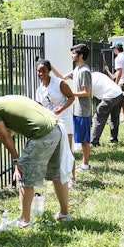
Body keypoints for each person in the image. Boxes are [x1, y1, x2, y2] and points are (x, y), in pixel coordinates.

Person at [0, 94, 74, 227]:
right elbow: (9, 132)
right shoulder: (7, 100)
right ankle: (64, 214)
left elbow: (5, 136)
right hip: (57, 129)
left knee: (25, 175)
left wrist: (17, 161)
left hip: (41, 133)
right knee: (57, 175)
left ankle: (24, 221)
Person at [51, 44, 92, 174]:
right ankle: (84, 163)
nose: (71, 55)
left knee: (84, 139)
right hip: (77, 109)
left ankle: (85, 164)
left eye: (74, 53)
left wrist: (71, 94)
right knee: (80, 137)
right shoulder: (77, 69)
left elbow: (87, 92)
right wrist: (50, 67)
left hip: (83, 110)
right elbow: (62, 77)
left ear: (80, 55)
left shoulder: (84, 71)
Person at [35, 58, 75, 189]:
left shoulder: (59, 83)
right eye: (39, 71)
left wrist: (62, 108)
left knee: (67, 150)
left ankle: (72, 178)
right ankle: (58, 177)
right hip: (50, 122)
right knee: (54, 151)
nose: (41, 74)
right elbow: (40, 106)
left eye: (44, 71)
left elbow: (71, 97)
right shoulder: (39, 90)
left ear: (49, 71)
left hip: (64, 119)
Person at [90, 72, 123, 147]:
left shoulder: (87, 81)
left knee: (98, 117)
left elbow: (85, 93)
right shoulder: (96, 74)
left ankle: (94, 141)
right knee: (114, 117)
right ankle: (114, 138)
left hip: (109, 97)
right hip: (118, 94)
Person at [105, 41, 124, 124]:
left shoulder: (118, 58)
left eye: (113, 48)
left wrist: (116, 83)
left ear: (117, 48)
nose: (112, 50)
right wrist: (108, 72)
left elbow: (119, 72)